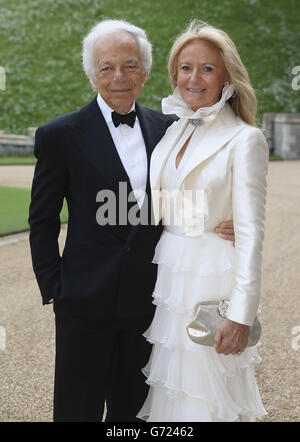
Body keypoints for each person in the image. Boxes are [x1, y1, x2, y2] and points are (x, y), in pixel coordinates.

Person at [28, 19, 234, 422]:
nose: (119, 77)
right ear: (93, 75)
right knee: (76, 409)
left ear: (145, 70)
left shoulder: (171, 130)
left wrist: (229, 219)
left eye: (130, 65)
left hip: (150, 301)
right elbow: (42, 219)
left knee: (136, 412)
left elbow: (193, 194)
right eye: (107, 67)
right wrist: (55, 286)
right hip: (82, 301)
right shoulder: (60, 135)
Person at [137, 20, 268, 422]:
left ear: (226, 74)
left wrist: (240, 315)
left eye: (207, 68)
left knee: (206, 390)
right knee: (174, 388)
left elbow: (250, 234)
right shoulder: (173, 130)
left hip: (212, 275)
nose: (194, 78)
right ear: (174, 73)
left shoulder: (245, 139)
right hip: (170, 275)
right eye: (185, 67)